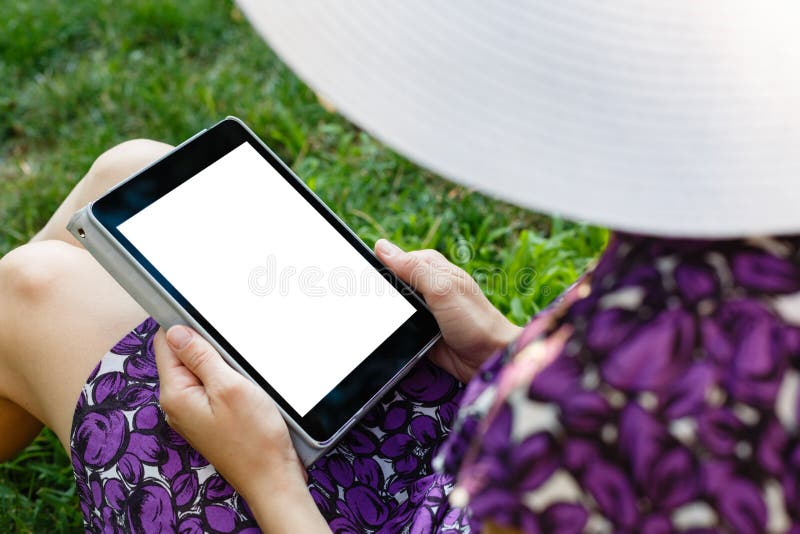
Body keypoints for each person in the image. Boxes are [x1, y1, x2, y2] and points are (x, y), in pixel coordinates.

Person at [4, 2, 800, 533]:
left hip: (320, 508)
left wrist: (266, 474)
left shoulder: (596, 401)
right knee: (130, 171)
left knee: (29, 289)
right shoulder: (746, 243)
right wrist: (498, 350)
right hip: (452, 448)